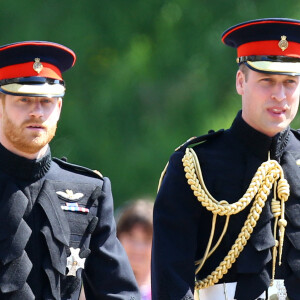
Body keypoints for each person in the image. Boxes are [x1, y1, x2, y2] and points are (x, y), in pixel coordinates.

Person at [151, 18, 300, 300]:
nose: (280, 95)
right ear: (241, 81)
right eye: (267, 80)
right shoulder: (195, 165)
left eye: (290, 82)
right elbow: (172, 282)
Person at [0, 41, 140, 300]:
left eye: (47, 101)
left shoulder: (88, 192)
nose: (37, 112)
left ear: (59, 108)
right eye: (23, 99)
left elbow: (118, 293)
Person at [117, 199, 154, 300]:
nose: (138, 248)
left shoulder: (168, 288)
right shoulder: (99, 285)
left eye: (146, 239)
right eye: (131, 236)